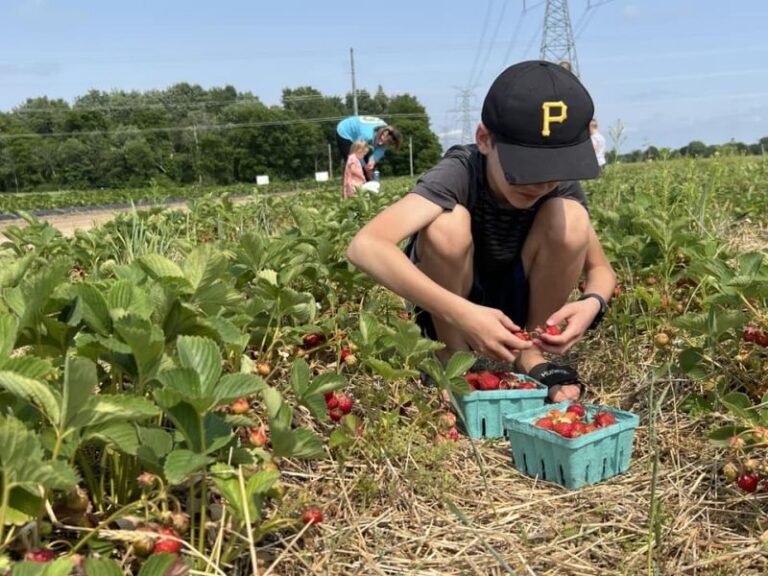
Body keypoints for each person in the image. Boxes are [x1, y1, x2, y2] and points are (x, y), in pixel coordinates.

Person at [347, 61, 617, 402]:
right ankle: (453, 355)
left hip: (517, 303)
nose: (542, 183)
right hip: (451, 306)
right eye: (527, 168)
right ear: (485, 139)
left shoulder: (556, 185)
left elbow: (601, 270)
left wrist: (593, 303)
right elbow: (365, 246)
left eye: (553, 168)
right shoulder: (460, 171)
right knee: (446, 225)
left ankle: (529, 350)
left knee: (572, 218)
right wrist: (462, 313)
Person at [336, 116, 402, 181]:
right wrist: (364, 167)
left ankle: (367, 185)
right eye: (381, 140)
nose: (381, 144)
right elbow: (357, 152)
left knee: (368, 166)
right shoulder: (367, 135)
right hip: (345, 131)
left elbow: (380, 150)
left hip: (361, 134)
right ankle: (352, 186)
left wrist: (373, 160)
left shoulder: (388, 132)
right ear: (382, 133)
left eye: (387, 142)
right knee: (353, 162)